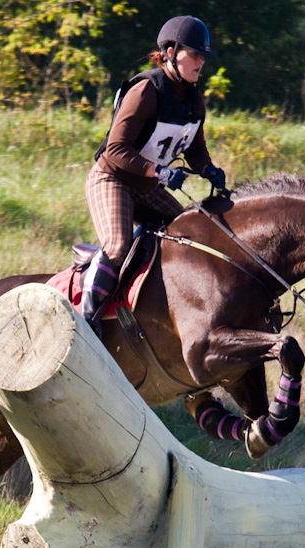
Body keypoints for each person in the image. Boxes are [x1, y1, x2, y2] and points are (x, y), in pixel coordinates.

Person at [83, 15, 227, 335]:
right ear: (171, 51)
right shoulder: (146, 90)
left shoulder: (194, 101)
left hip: (146, 186)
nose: (201, 61)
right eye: (195, 53)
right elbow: (115, 150)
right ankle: (87, 323)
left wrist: (210, 170)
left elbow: (195, 150)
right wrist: (159, 170)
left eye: (204, 55)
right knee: (118, 245)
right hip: (112, 179)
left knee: (191, 240)